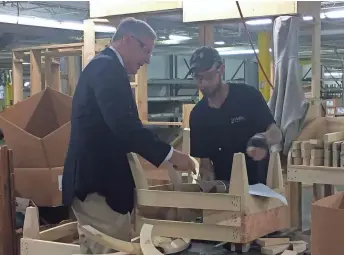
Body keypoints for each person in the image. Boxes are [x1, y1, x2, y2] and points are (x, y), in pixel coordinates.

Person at [62, 17, 195, 254]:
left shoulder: (107, 68)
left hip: (100, 182)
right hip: (98, 184)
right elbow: (124, 125)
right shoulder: (106, 68)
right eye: (145, 50)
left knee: (101, 246)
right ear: (126, 40)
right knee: (109, 247)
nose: (147, 59)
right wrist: (171, 155)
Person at [188, 46, 282, 184]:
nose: (202, 83)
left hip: (258, 189)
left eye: (208, 76)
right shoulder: (198, 115)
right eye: (197, 77)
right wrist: (207, 180)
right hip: (225, 191)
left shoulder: (248, 97)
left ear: (221, 70)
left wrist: (263, 138)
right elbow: (205, 163)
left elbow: (276, 133)